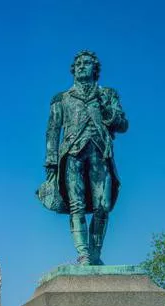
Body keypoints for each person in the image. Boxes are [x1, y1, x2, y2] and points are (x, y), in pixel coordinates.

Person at [44, 50, 128, 265]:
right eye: (78, 63)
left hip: (100, 152)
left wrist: (107, 111)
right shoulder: (61, 98)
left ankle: (95, 252)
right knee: (77, 205)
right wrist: (51, 159)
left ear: (95, 69)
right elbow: (53, 130)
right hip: (72, 153)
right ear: (74, 69)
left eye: (87, 63)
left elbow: (122, 124)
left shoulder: (108, 94)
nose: (82, 66)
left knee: (102, 205)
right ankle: (83, 253)